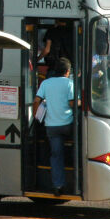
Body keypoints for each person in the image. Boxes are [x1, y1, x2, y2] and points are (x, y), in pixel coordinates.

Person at [32, 58, 75, 196]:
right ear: (67, 72)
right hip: (67, 125)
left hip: (51, 126)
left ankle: (58, 185)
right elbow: (72, 103)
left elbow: (36, 101)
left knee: (56, 155)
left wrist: (36, 116)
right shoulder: (69, 83)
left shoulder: (46, 83)